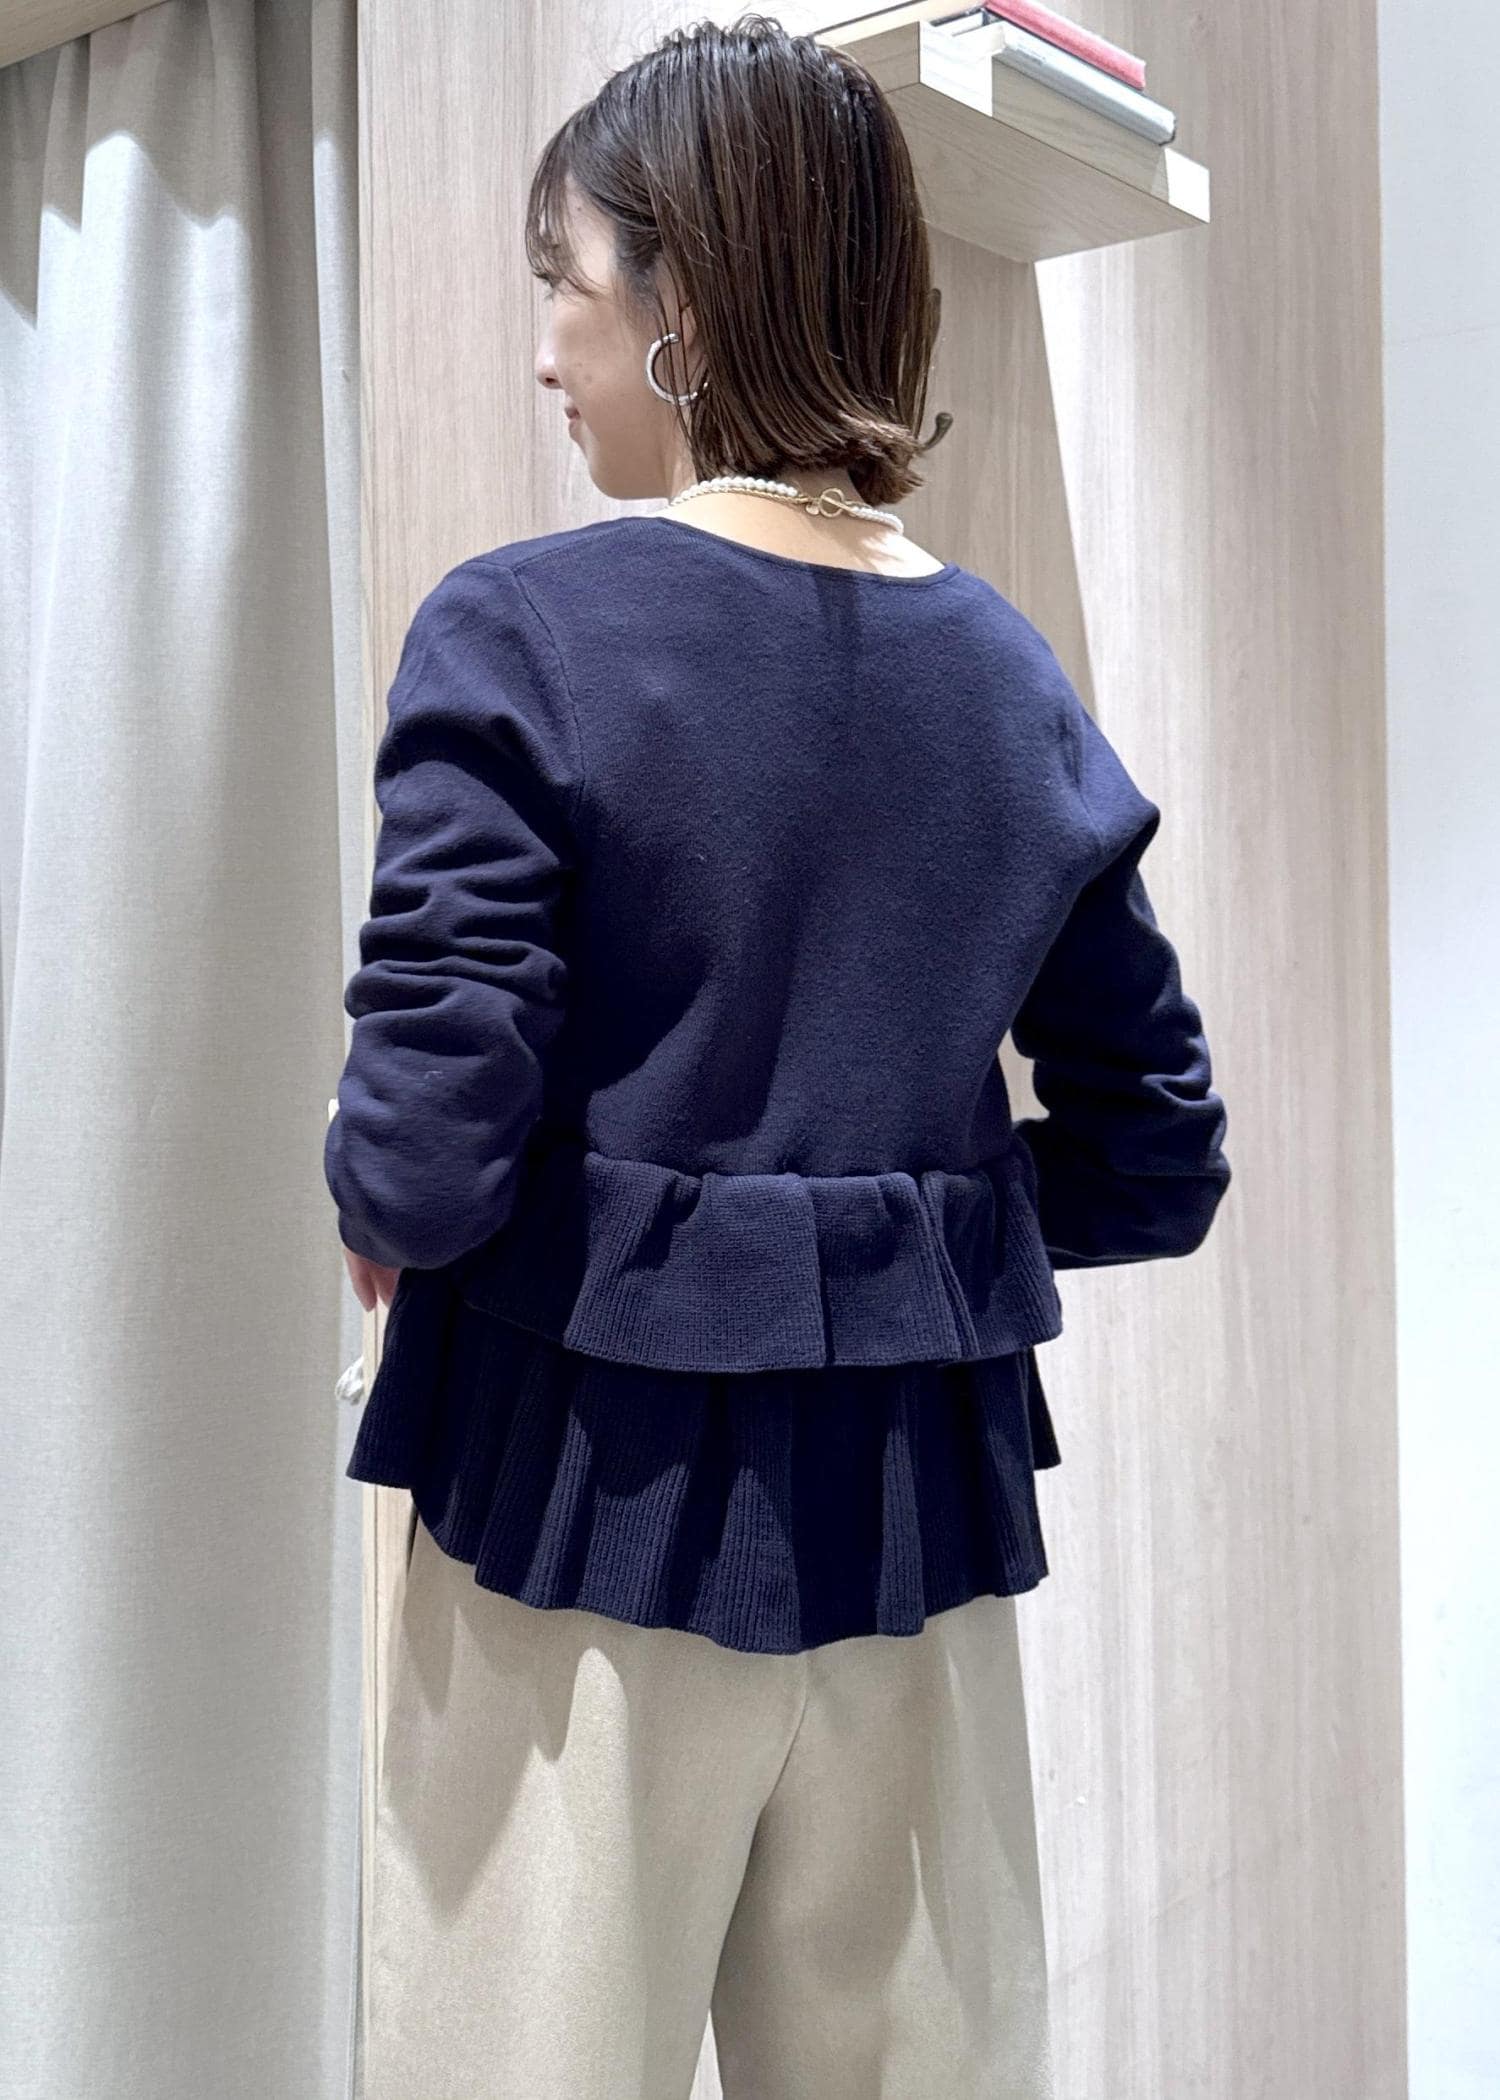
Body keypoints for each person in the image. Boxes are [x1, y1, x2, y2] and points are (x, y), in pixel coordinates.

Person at [323, 17, 1231, 2098]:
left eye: (561, 281)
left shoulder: (522, 630)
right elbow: (1151, 1151)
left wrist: (405, 1199)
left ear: (684, 309)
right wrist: (889, 1245)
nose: (543, 352)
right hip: (917, 1534)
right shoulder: (1008, 677)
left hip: (573, 1510)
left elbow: (426, 1156)